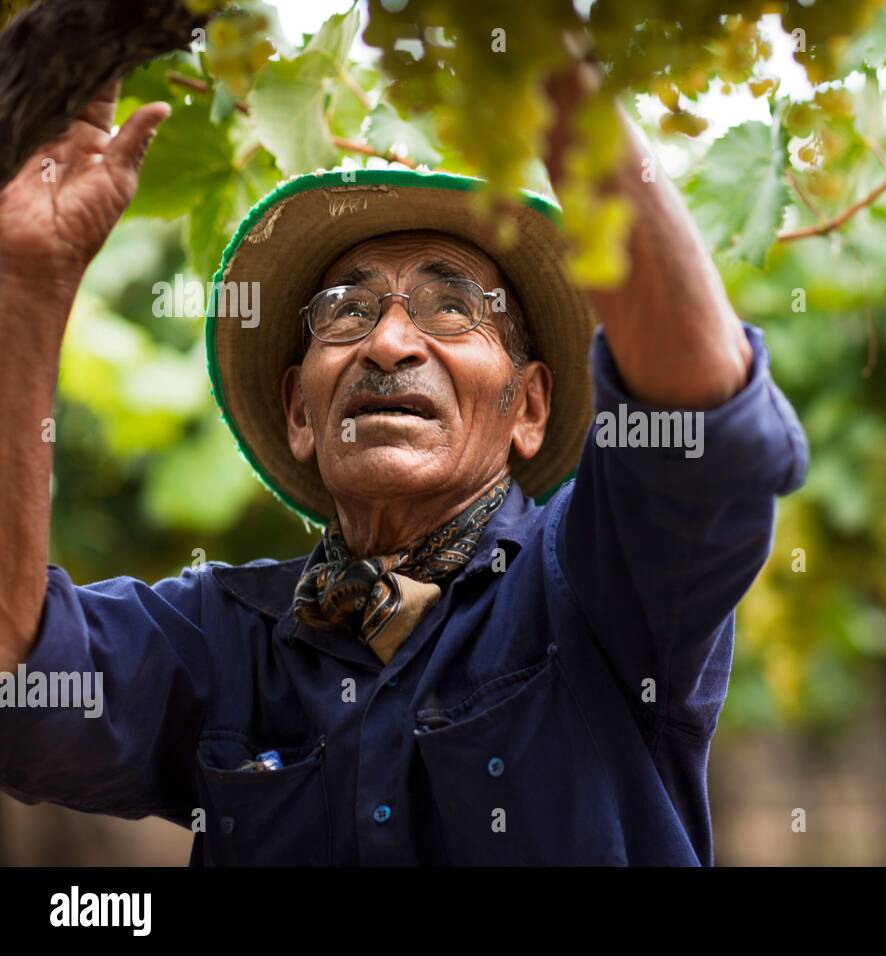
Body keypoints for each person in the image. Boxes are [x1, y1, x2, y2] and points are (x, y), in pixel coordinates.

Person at [0, 61, 807, 865]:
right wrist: (29, 284)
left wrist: (553, 66)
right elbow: (18, 682)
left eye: (453, 308)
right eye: (346, 311)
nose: (387, 343)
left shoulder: (596, 583)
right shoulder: (221, 638)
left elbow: (708, 429)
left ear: (527, 407)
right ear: (298, 412)